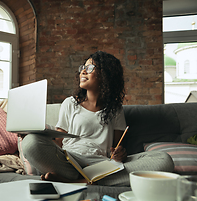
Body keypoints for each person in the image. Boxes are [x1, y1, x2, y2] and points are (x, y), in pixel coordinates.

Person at [21, 51, 174, 186]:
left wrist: (120, 153)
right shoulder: (70, 103)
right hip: (69, 161)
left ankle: (76, 182)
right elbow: (59, 143)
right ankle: (86, 179)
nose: (83, 72)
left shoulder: (115, 109)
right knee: (30, 143)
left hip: (101, 164)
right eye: (83, 68)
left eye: (89, 68)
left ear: (105, 75)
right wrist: (40, 135)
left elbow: (116, 147)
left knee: (163, 160)